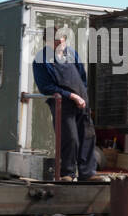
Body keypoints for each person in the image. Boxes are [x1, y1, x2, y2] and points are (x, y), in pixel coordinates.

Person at [33, 31, 105, 182]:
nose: (60, 44)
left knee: (87, 136)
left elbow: (82, 77)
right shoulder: (41, 60)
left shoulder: (72, 53)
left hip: (81, 102)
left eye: (62, 41)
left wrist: (82, 96)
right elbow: (46, 86)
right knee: (70, 138)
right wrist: (71, 96)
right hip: (62, 104)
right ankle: (67, 174)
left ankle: (88, 174)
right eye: (56, 42)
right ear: (47, 42)